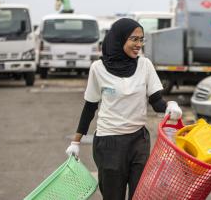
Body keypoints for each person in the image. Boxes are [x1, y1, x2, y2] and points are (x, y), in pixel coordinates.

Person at [65, 18, 183, 200]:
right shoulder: (98, 69)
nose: (138, 44)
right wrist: (76, 142)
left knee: (139, 195)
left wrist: (170, 106)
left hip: (139, 141)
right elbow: (90, 107)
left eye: (141, 39)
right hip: (109, 143)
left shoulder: (145, 65)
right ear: (119, 39)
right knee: (113, 196)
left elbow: (156, 100)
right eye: (133, 39)